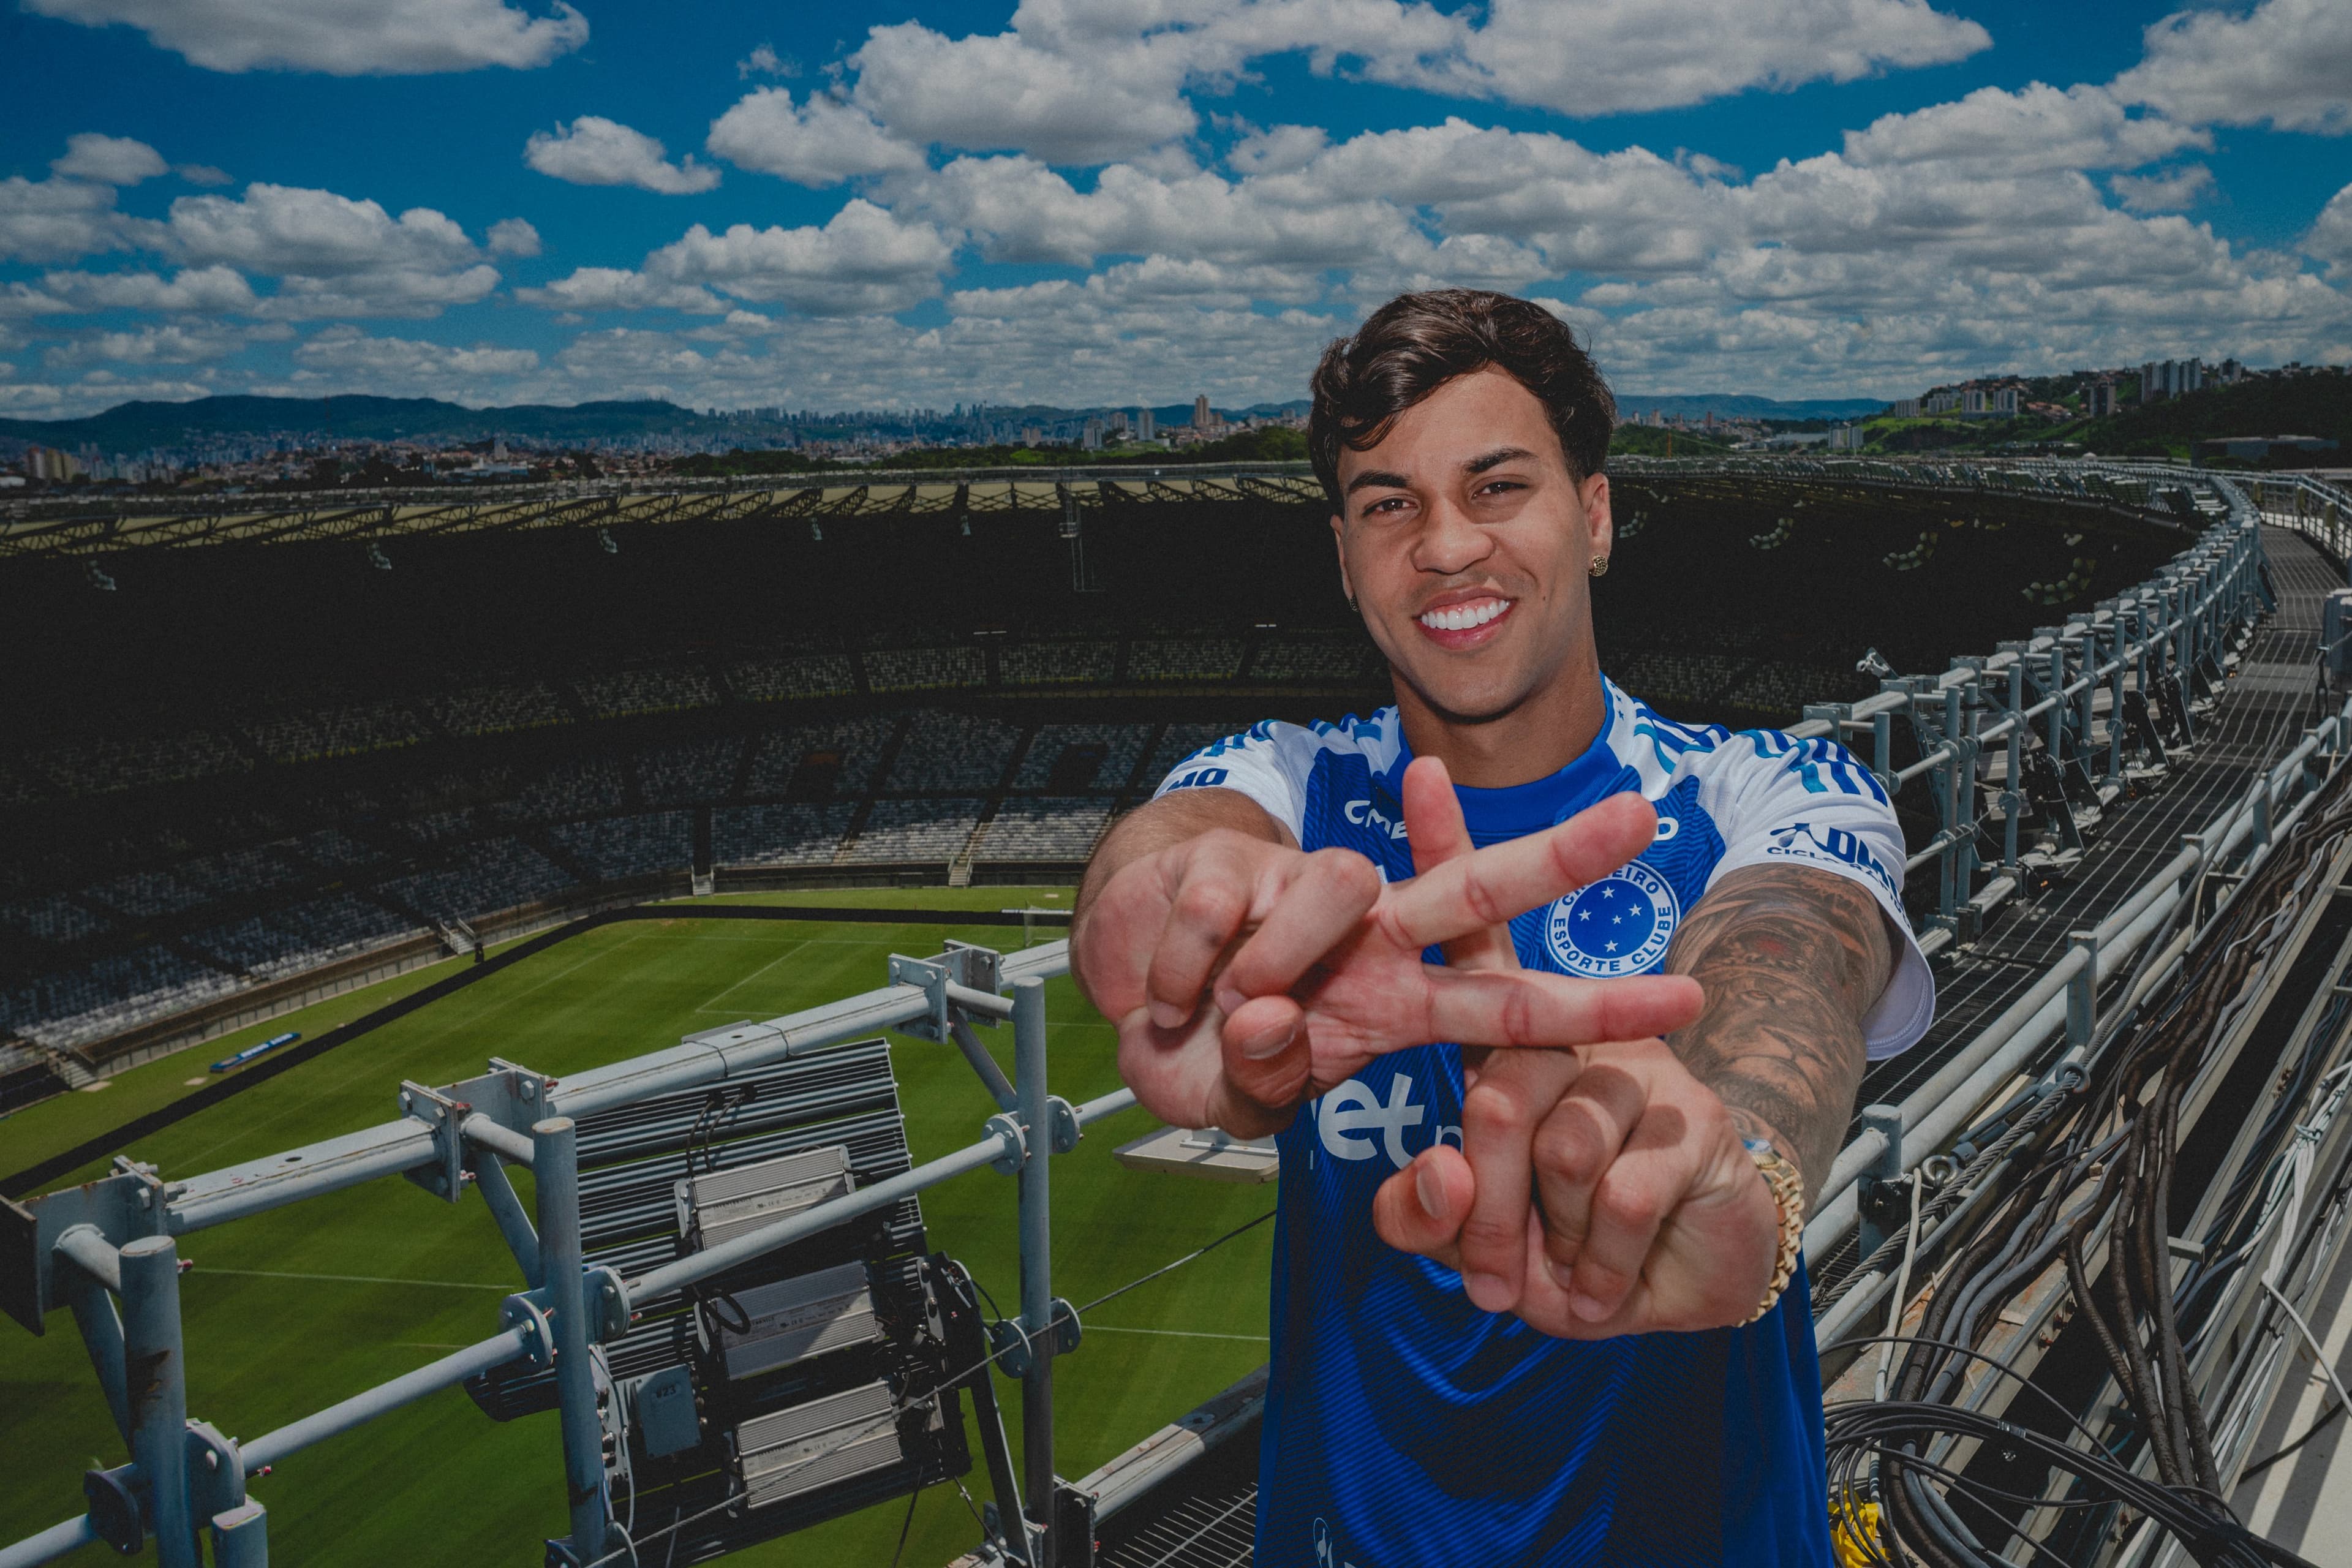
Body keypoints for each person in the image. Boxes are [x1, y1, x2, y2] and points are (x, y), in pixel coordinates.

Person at [1069, 289, 1934, 1566]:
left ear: (1592, 515)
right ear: (1346, 555)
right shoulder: (1289, 785)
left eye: (1496, 485)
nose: (1444, 544)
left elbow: (1792, 956)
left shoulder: (1768, 789)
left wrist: (1734, 1150)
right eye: (1388, 503)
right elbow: (1177, 847)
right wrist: (1164, 910)